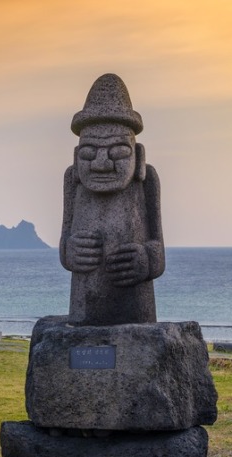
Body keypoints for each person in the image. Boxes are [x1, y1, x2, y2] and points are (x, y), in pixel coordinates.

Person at [60, 74, 164, 325]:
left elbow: (158, 250)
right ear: (76, 157)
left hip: (135, 308)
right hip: (84, 306)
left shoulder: (146, 179)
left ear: (138, 156)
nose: (102, 163)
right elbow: (65, 240)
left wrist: (146, 259)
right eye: (88, 152)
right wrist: (70, 252)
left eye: (117, 151)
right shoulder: (73, 181)